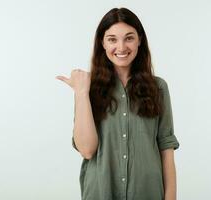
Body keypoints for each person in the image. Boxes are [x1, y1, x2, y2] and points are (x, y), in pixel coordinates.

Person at [56, 7, 180, 200]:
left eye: (129, 38)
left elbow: (166, 148)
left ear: (139, 40)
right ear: (102, 43)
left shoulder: (159, 87)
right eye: (112, 39)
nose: (121, 47)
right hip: (101, 192)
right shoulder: (88, 88)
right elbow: (87, 150)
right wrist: (81, 93)